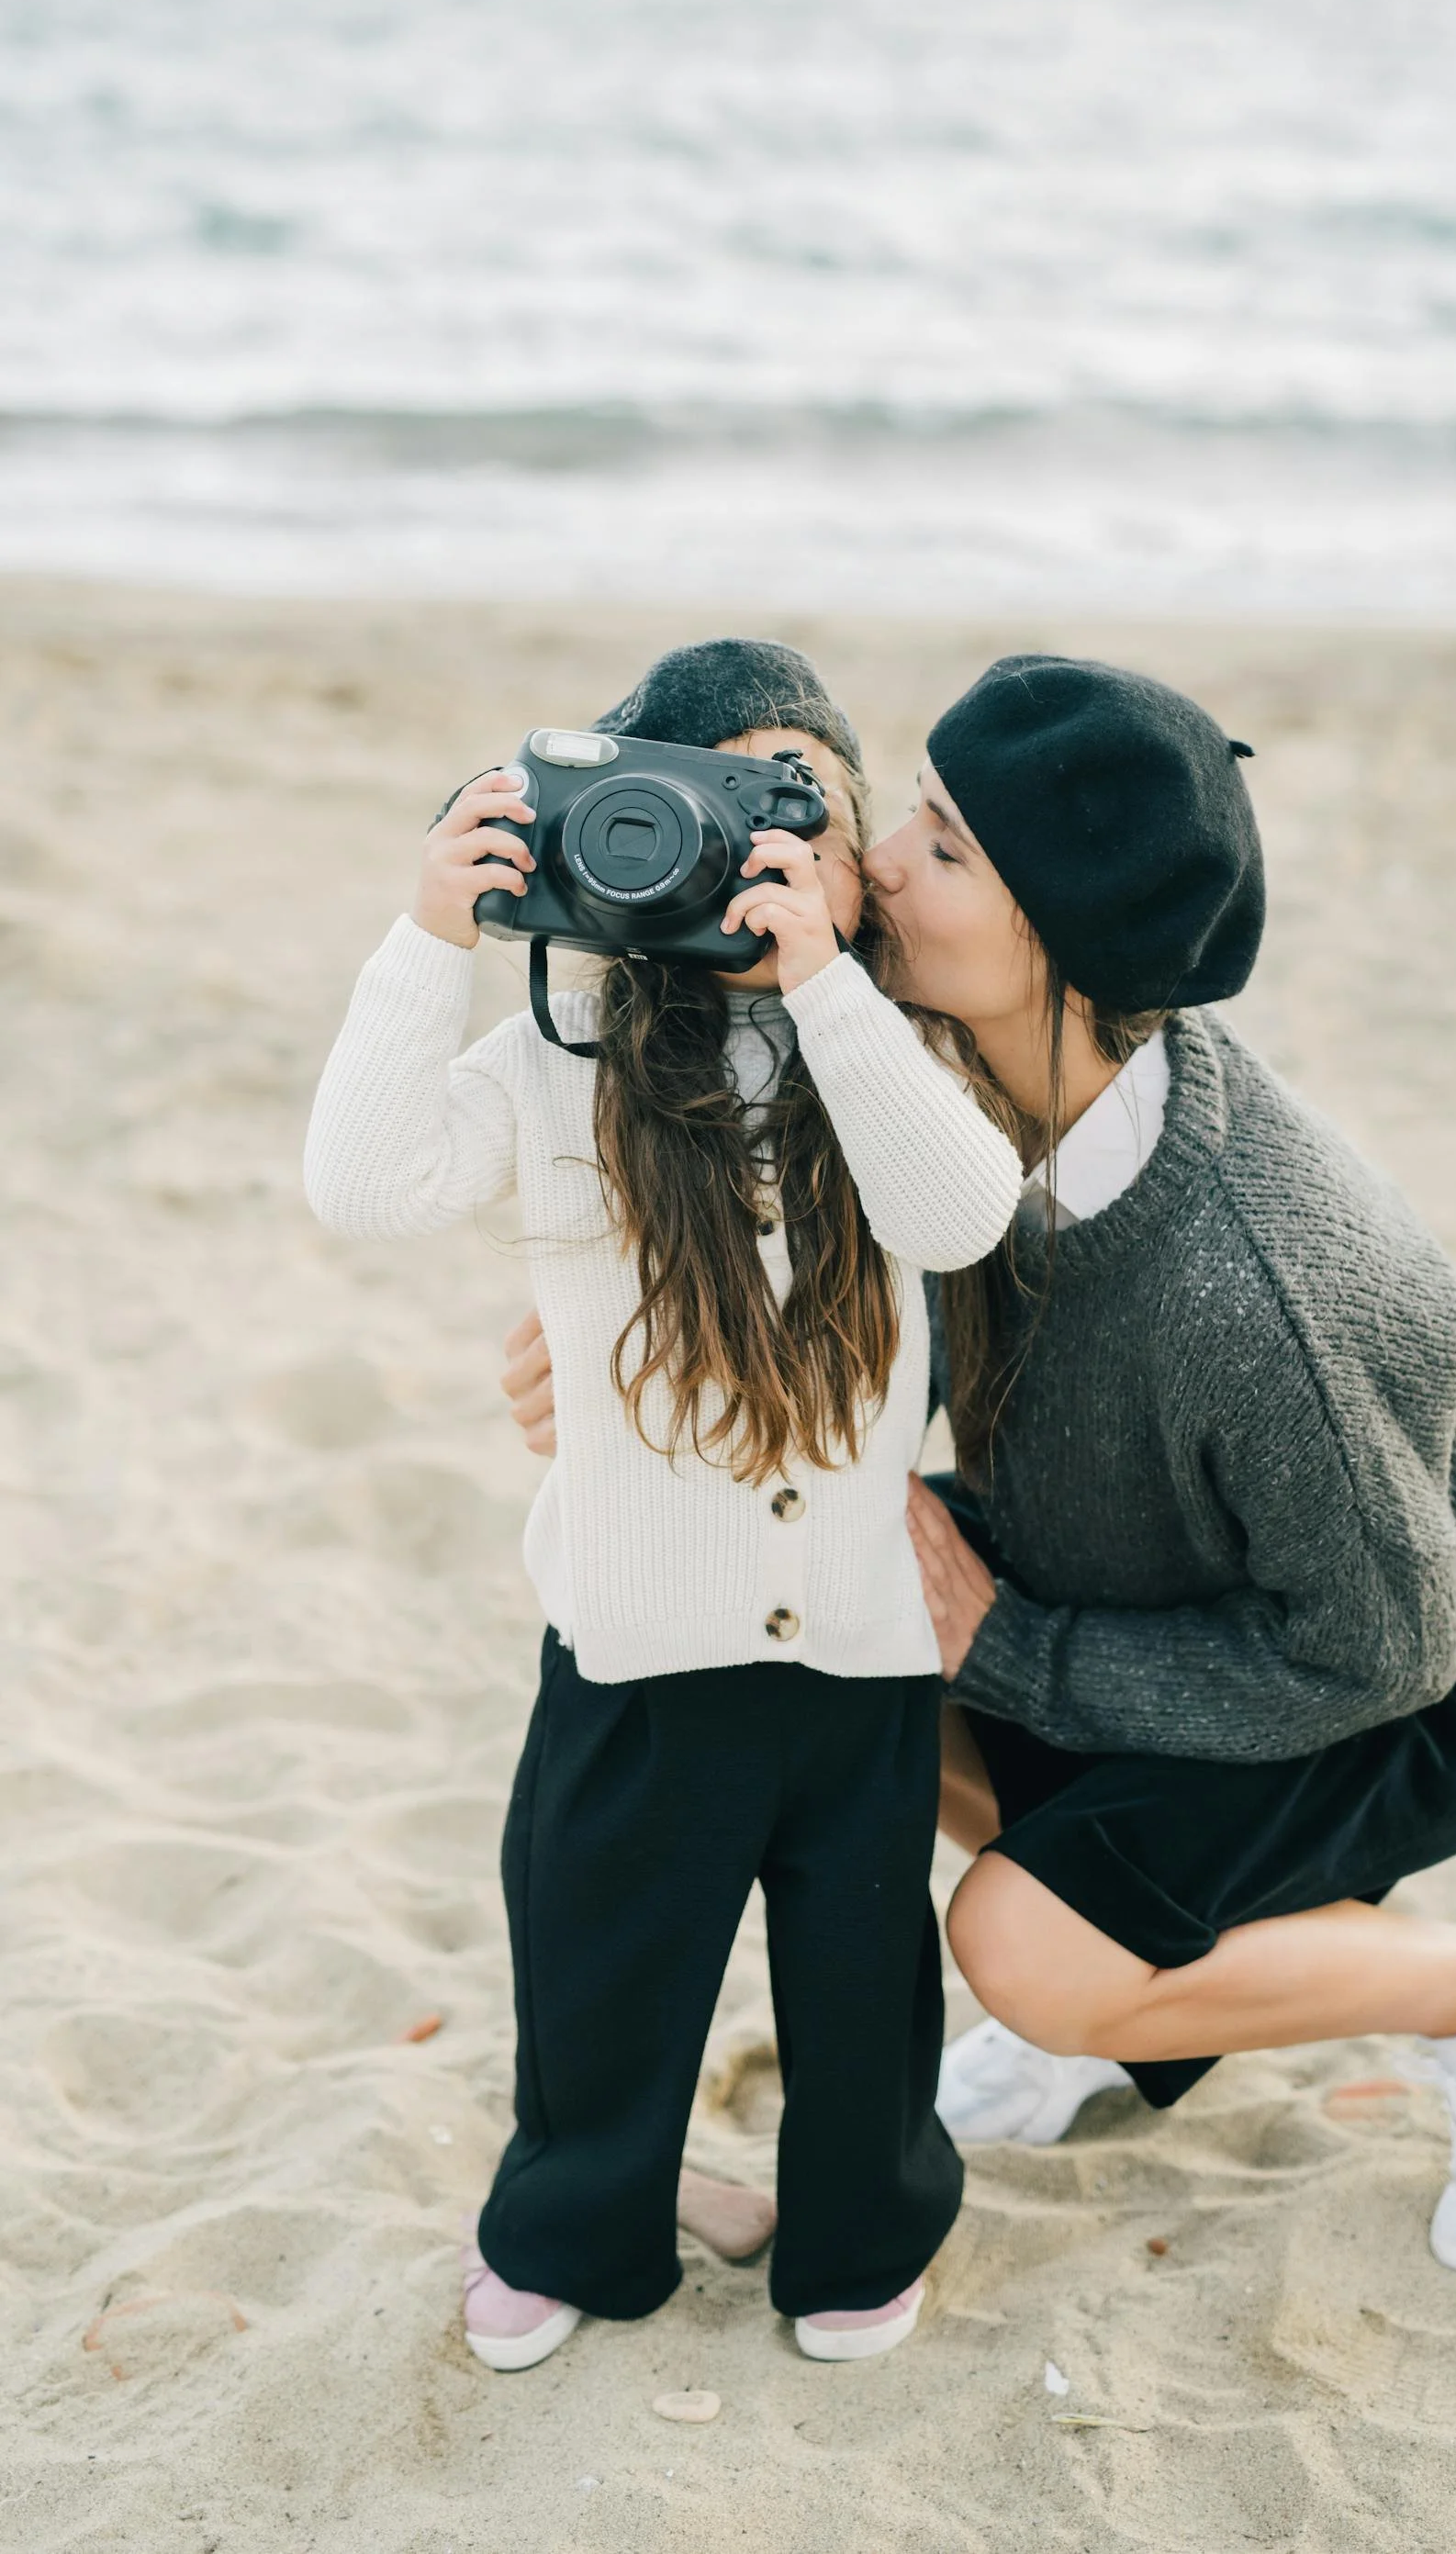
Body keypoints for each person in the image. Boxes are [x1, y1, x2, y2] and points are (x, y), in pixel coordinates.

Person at [506, 651, 1456, 2276]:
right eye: (910, 804)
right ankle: (1129, 1953)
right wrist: (634, 1359)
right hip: (1145, 1555)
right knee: (825, 1630)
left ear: (1064, 945)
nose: (879, 856)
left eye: (947, 849)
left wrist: (1011, 1647)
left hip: (1455, 1653)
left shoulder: (1267, 1290)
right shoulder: (924, 1061)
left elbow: (1377, 1649)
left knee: (1023, 1943)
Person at [304, 640, 1024, 2369]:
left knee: (862, 1997)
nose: (742, 863)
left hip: (853, 1658)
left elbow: (958, 1216)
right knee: (602, 1984)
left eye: (799, 815)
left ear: (851, 856)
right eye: (696, 808)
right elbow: (366, 1182)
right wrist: (429, 942)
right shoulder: (570, 1055)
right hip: (633, 1642)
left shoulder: (892, 1050)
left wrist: (828, 990)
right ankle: (576, 2229)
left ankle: (857, 2245)